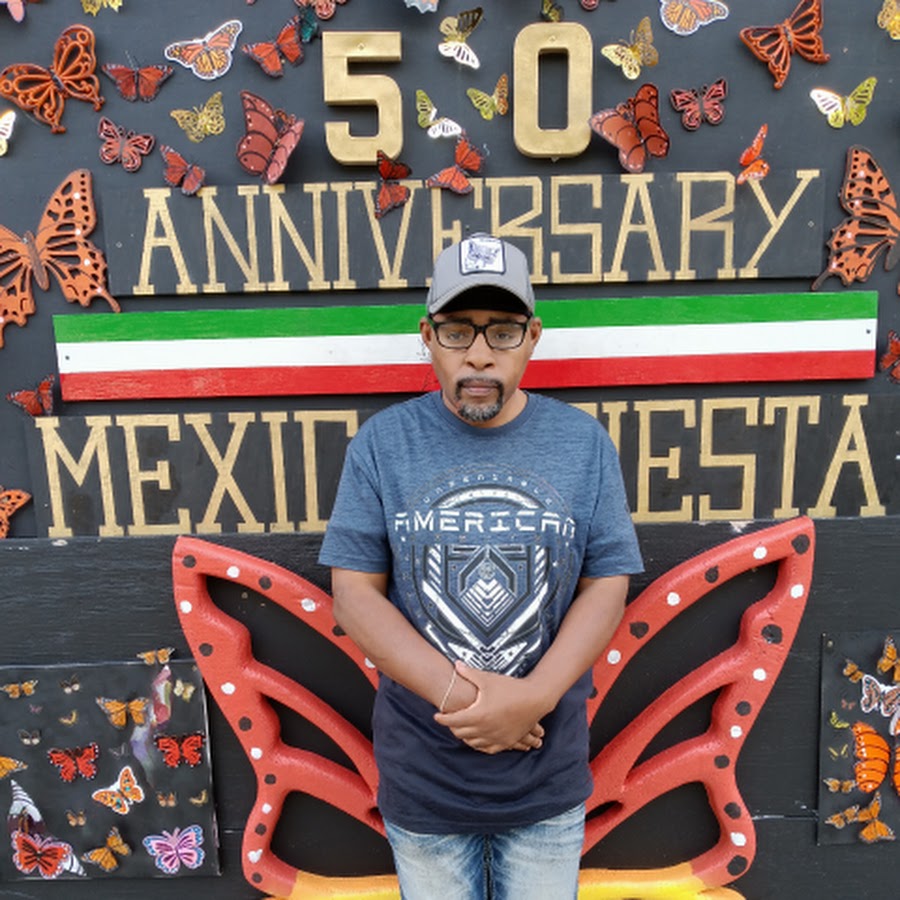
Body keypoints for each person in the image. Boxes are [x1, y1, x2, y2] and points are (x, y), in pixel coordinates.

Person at [318, 233, 643, 899]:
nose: (478, 353)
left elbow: (607, 583)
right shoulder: (383, 445)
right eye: (457, 330)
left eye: (502, 331)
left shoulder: (583, 444)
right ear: (427, 337)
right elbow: (353, 595)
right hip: (424, 778)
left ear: (532, 337)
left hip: (547, 777)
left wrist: (535, 697)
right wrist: (467, 701)